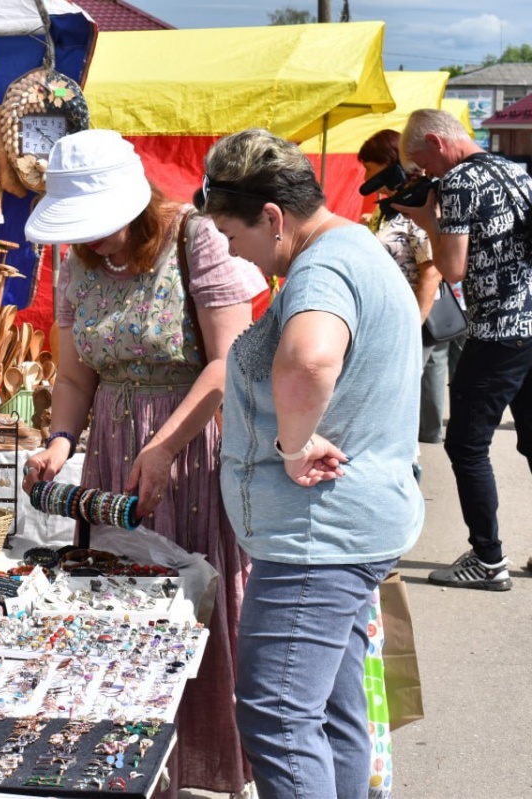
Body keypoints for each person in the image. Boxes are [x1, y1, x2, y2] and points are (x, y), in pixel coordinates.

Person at [21, 128, 266, 797]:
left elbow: (229, 362)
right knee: (122, 611)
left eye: (101, 227)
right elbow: (74, 378)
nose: (93, 242)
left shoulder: (199, 239)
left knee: (189, 604)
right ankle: (133, 769)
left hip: (191, 449)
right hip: (113, 458)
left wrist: (164, 446)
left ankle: (202, 762)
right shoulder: (77, 264)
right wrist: (60, 442)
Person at [198, 128, 424, 799]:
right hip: (341, 529)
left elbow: (309, 357)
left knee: (275, 713)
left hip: (317, 539)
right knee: (329, 710)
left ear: (273, 216)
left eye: (233, 234)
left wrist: (293, 445)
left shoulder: (322, 267)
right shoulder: (352, 246)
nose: (232, 251)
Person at [395, 108, 532, 592]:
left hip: (498, 331)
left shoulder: (458, 182)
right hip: (531, 322)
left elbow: (451, 269)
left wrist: (427, 219)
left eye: (420, 160)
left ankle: (488, 559)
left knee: (466, 445)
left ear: (436, 141)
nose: (423, 172)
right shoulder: (515, 170)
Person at [357, 128, 456, 444]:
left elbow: (431, 272)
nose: (365, 176)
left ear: (389, 165)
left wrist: (412, 325)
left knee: (401, 396)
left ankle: (410, 460)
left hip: (414, 319)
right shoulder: (389, 205)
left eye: (369, 169)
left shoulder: (417, 206)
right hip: (391, 318)